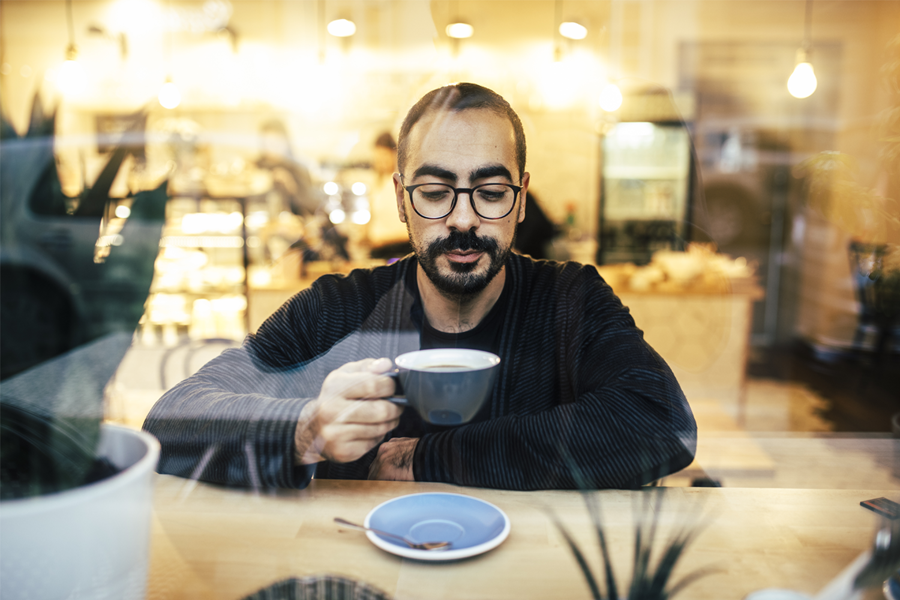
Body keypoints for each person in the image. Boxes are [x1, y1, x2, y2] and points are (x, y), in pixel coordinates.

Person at [143, 83, 696, 491]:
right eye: (435, 191)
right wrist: (304, 428)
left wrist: (422, 460)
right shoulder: (339, 310)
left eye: (490, 190)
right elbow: (171, 422)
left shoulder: (569, 301)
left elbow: (662, 424)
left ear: (521, 199)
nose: (461, 220)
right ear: (401, 197)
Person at [367, 132, 414, 259]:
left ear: (394, 154)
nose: (380, 161)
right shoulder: (377, 183)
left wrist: (386, 240)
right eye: (377, 157)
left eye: (384, 155)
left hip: (398, 249)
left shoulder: (404, 181)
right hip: (379, 250)